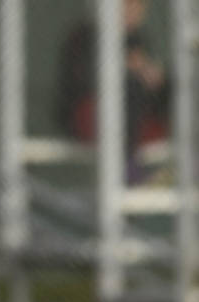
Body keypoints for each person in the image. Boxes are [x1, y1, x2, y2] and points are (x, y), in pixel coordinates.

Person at [57, 0, 171, 185]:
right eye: (127, 6)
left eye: (138, 7)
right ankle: (127, 170)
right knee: (130, 88)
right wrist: (127, 70)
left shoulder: (138, 39)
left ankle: (194, 161)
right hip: (89, 115)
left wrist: (153, 77)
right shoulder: (86, 35)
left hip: (133, 123)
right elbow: (84, 82)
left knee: (171, 85)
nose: (133, 13)